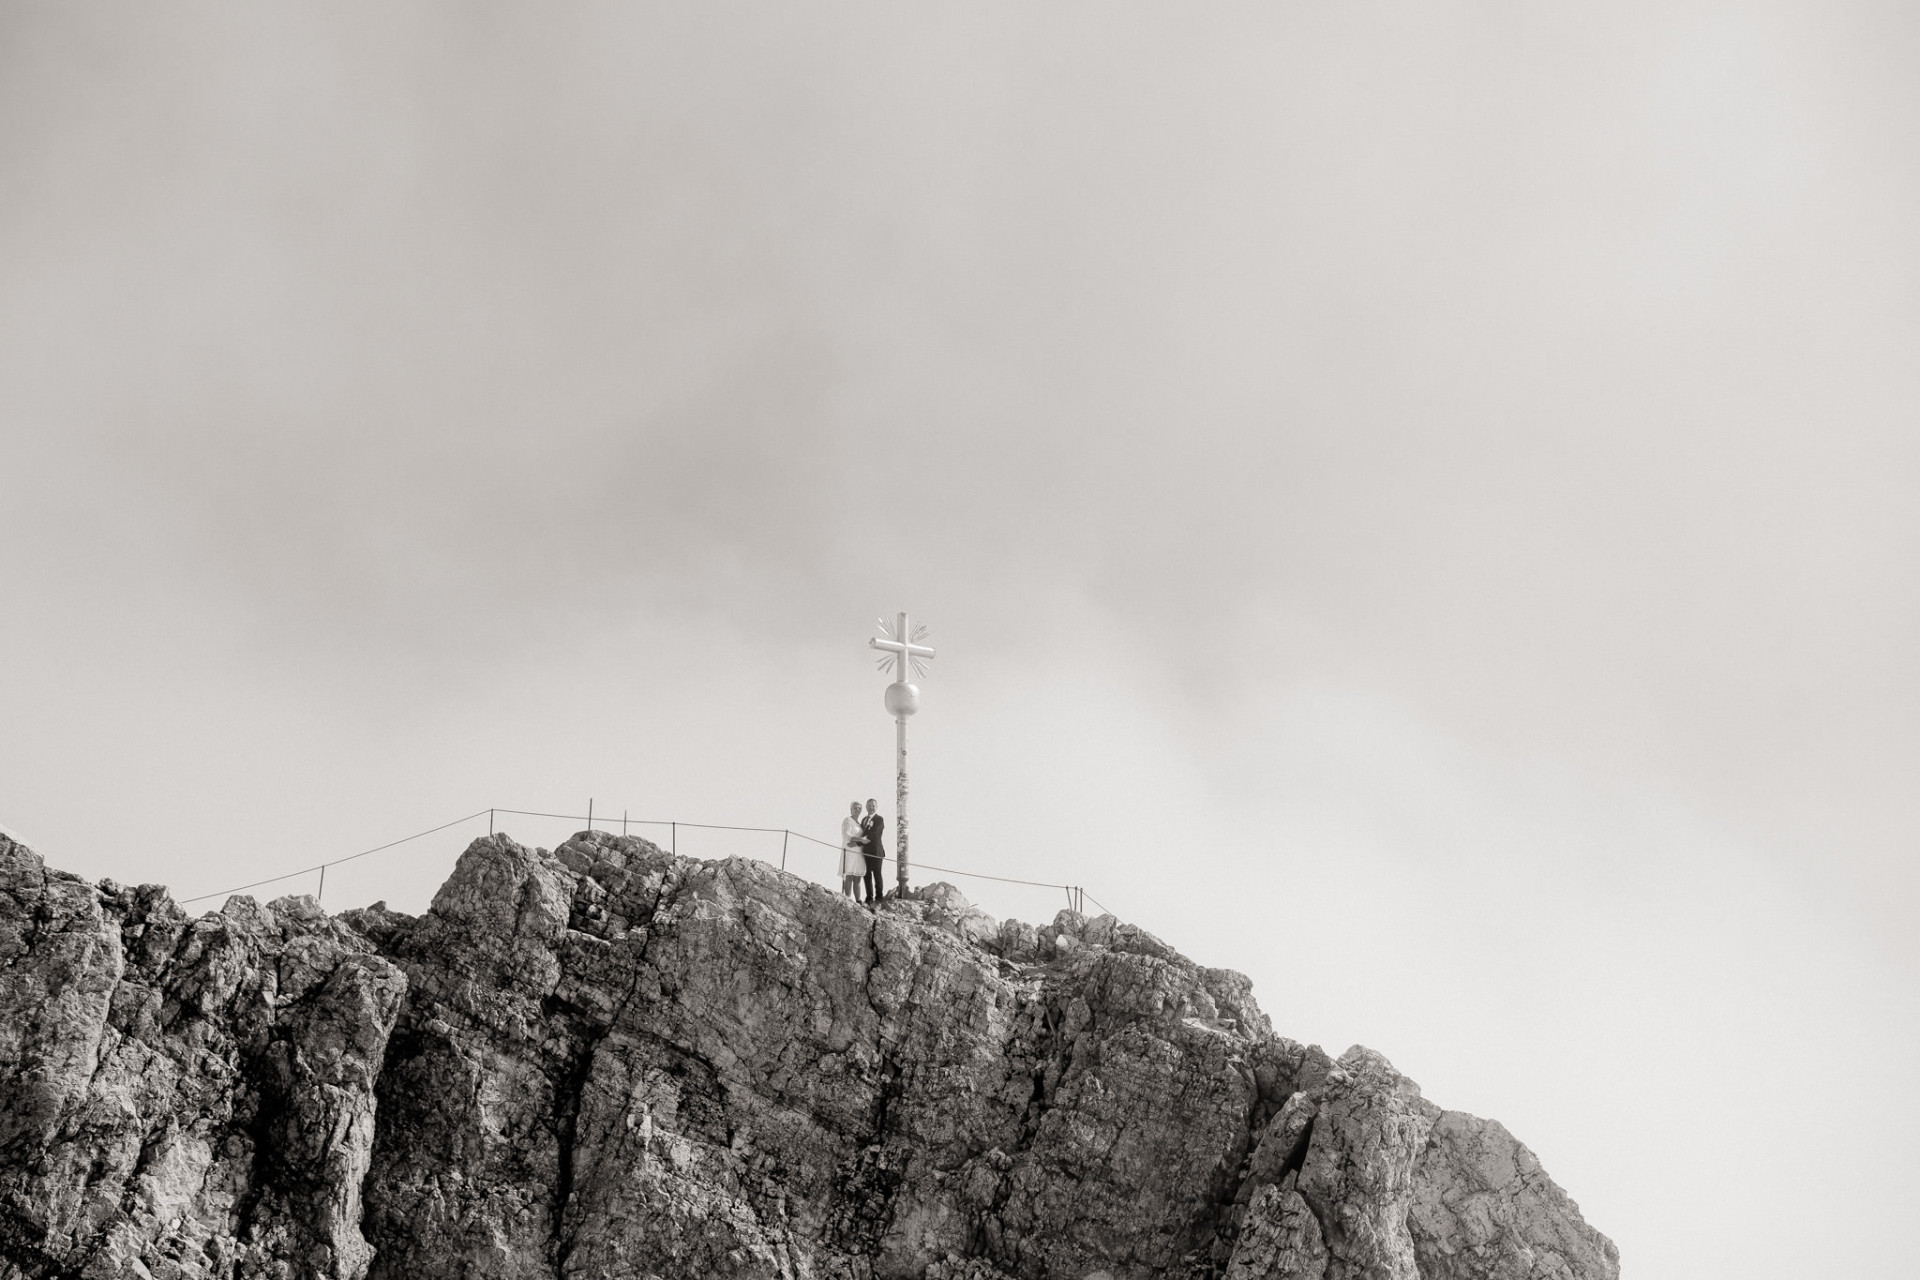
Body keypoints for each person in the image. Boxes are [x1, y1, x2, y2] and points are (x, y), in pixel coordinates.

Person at [860, 798, 887, 906]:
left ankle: (879, 897)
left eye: (873, 805)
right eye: (869, 805)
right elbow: (860, 834)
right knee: (866, 875)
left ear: (876, 807)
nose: (871, 807)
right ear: (866, 807)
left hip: (876, 852)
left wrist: (863, 839)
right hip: (865, 852)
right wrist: (858, 842)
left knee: (877, 875)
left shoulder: (879, 819)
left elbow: (876, 833)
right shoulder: (863, 820)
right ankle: (869, 897)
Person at [839, 801, 866, 898]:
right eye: (855, 808)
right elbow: (846, 834)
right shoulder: (848, 820)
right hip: (850, 851)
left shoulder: (861, 823)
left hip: (859, 852)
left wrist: (860, 841)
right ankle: (847, 898)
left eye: (859, 808)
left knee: (858, 877)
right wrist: (859, 839)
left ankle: (858, 900)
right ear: (851, 809)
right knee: (849, 875)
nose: (857, 810)